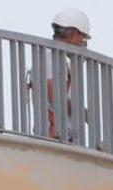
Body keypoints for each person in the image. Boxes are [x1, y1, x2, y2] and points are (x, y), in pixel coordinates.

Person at [44, 8, 90, 140]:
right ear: (74, 33)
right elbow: (57, 100)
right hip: (54, 137)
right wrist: (84, 113)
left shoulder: (60, 60)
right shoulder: (51, 57)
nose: (84, 43)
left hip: (64, 137)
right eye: (83, 37)